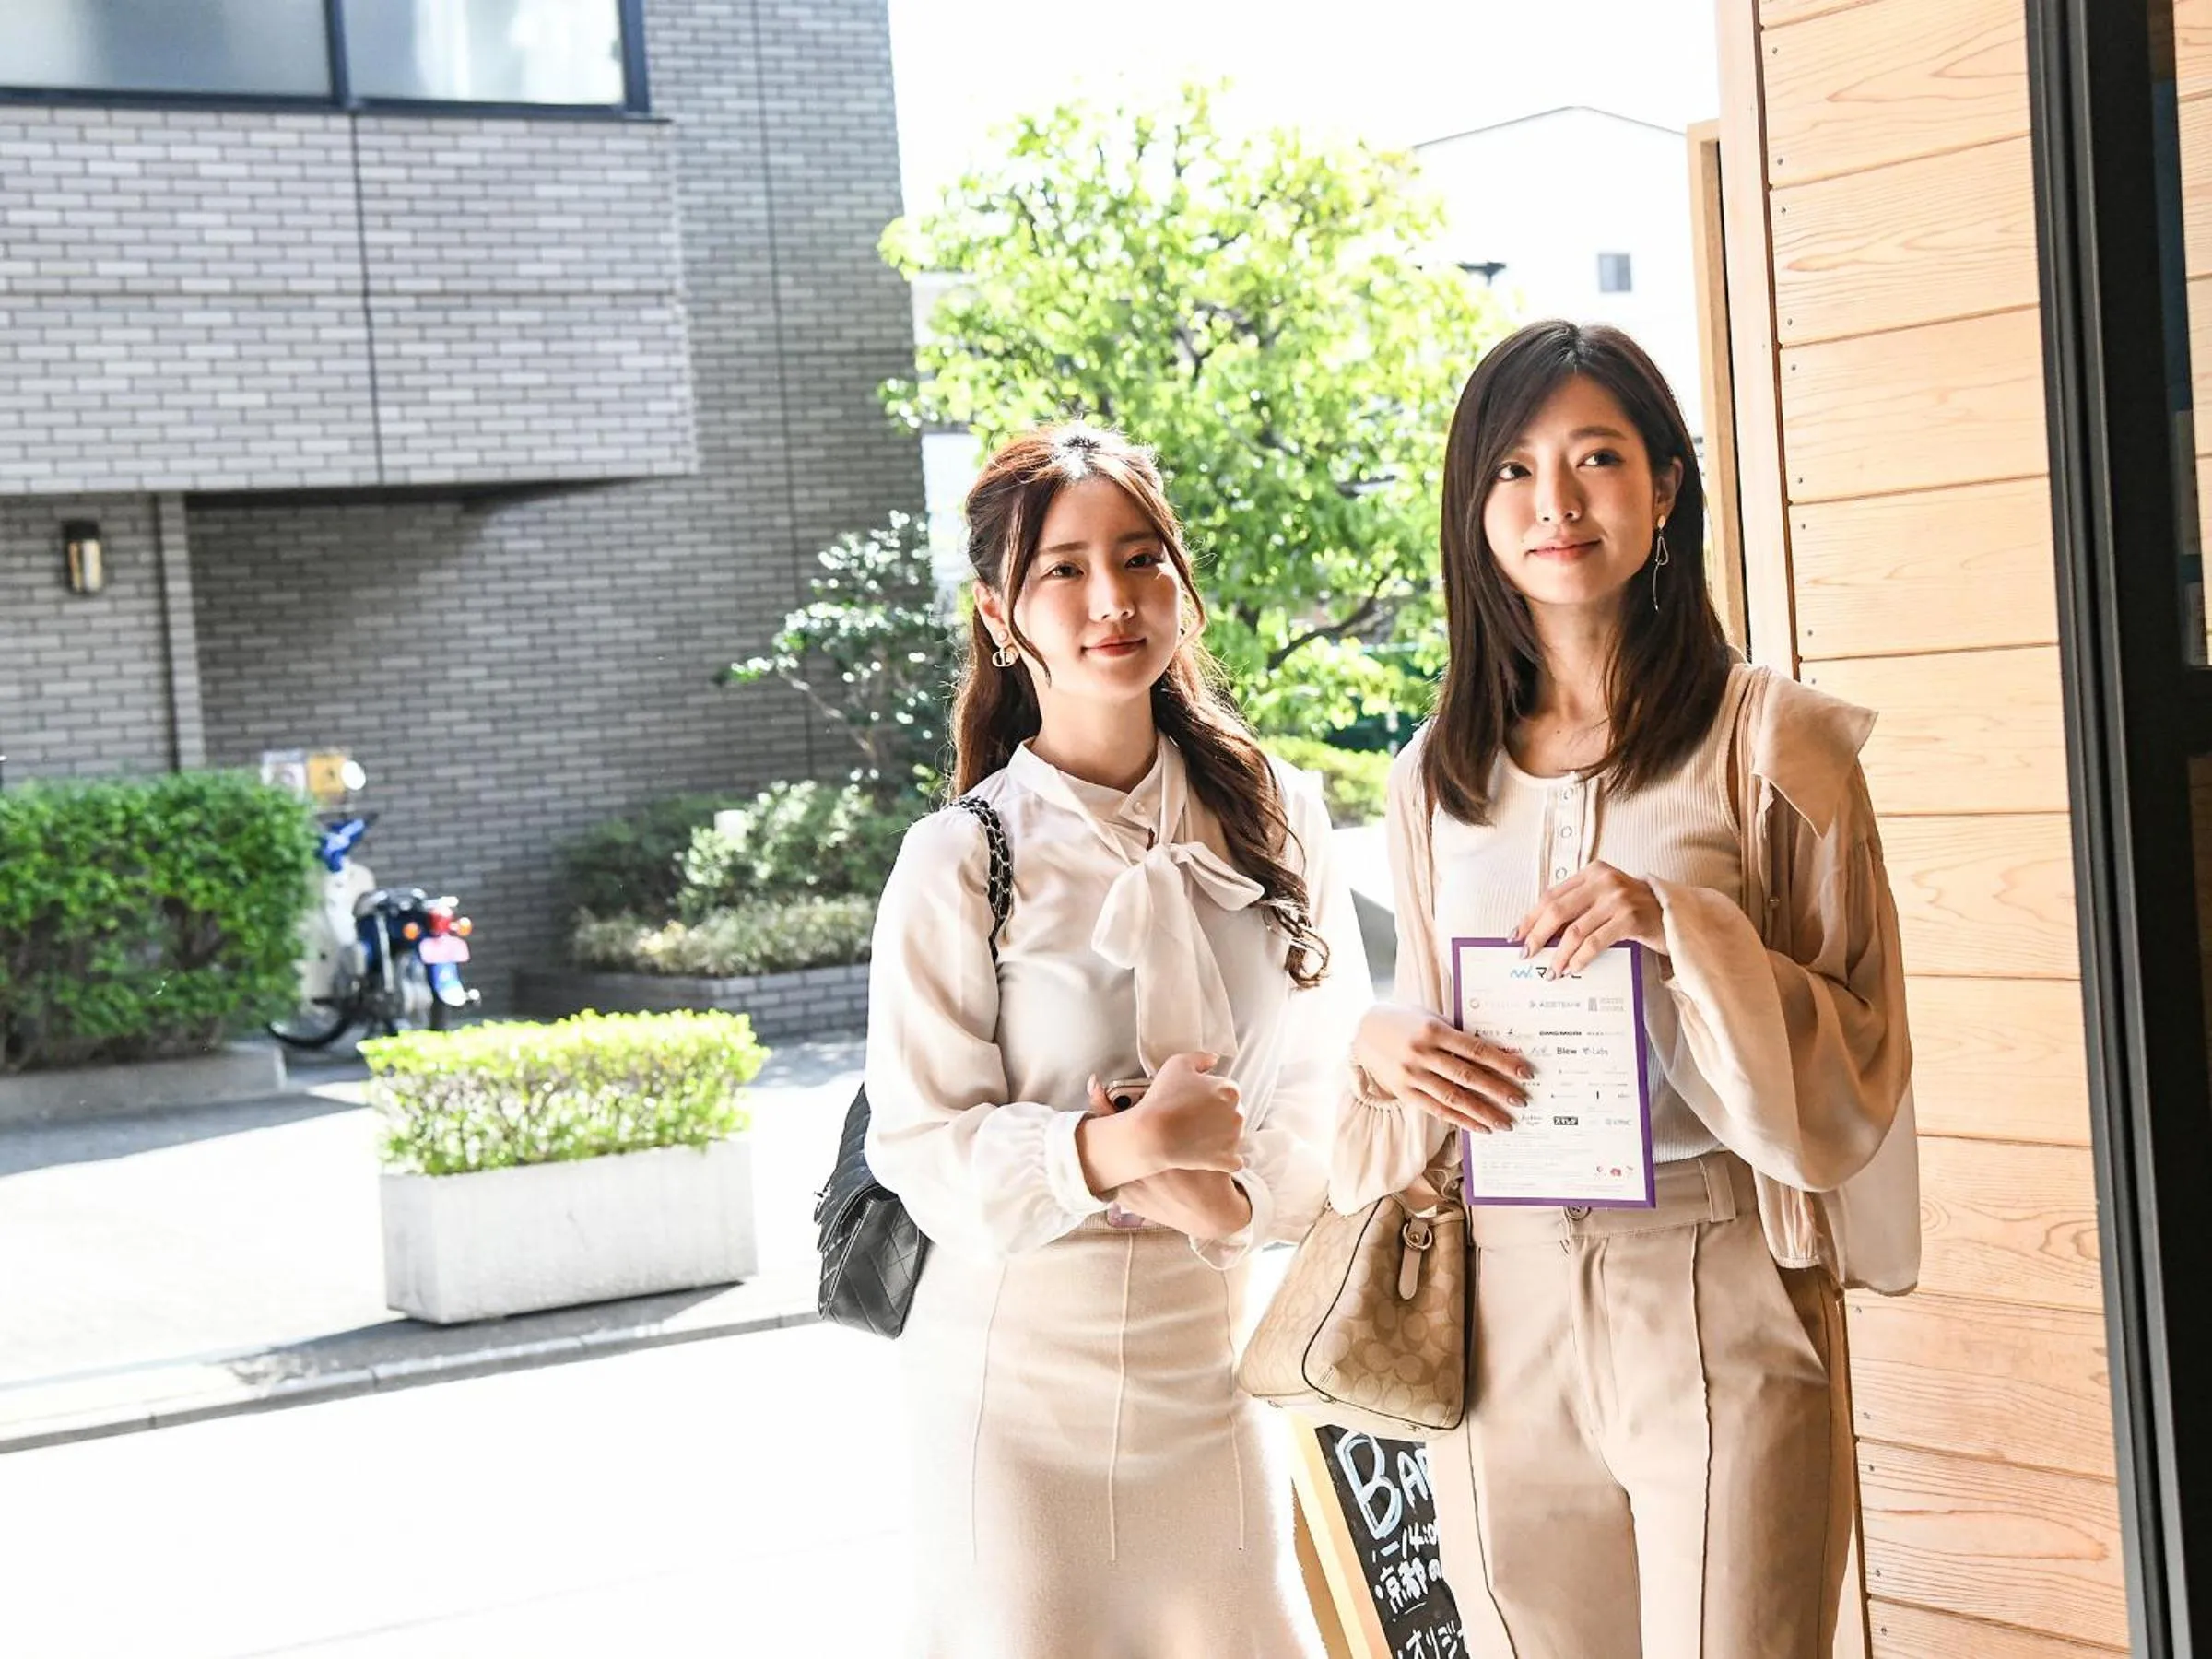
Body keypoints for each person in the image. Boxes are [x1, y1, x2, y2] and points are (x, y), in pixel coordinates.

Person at [1334, 320, 1918, 1658]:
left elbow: (1865, 1046)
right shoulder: (1433, 779)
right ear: (1472, 509)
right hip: (1497, 1295)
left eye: (1596, 457)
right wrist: (1382, 1047)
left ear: (1664, 487)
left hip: (1711, 1277)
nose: (1555, 501)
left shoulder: (1774, 741)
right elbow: (1422, 1033)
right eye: (1514, 469)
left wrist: (1674, 921)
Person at [865, 422, 1368, 1658]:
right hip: (1013, 1397)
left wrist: (1236, 1199)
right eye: (1065, 571)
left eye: (1141, 558)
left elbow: (1331, 1073)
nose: (1113, 601)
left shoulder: (1275, 815)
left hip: (1209, 1379)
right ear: (1001, 615)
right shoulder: (959, 861)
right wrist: (1111, 1151)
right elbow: (922, 1149)